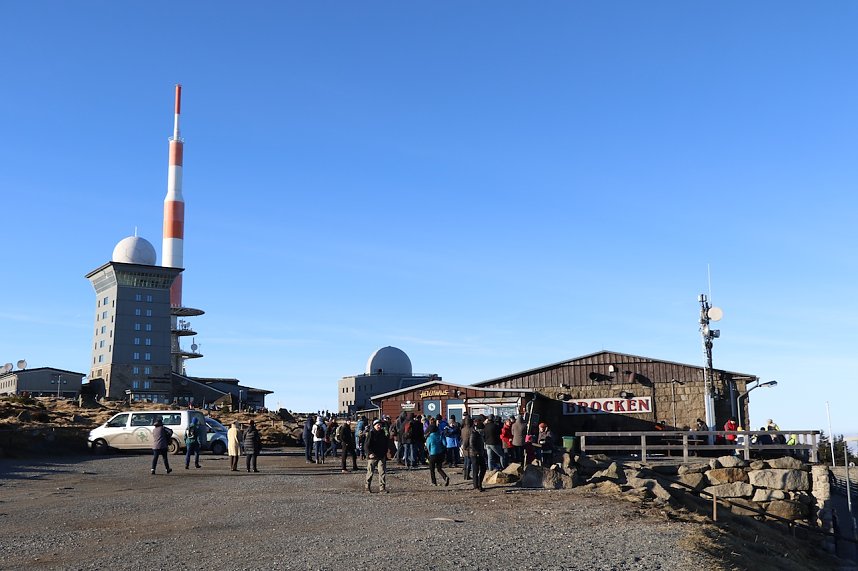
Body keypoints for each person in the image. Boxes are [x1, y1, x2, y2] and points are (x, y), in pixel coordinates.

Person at [365, 419, 390, 493]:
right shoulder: (371, 433)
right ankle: (367, 487)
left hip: (381, 456)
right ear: (374, 425)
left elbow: (385, 444)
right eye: (377, 425)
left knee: (382, 472)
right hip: (372, 456)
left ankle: (382, 488)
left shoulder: (383, 433)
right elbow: (366, 445)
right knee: (370, 472)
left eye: (380, 425)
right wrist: (369, 453)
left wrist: (385, 453)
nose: (379, 426)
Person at [469, 417, 487, 491]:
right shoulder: (474, 434)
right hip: (475, 454)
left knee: (483, 468)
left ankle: (479, 484)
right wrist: (477, 452)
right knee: (476, 470)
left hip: (480, 453)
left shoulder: (479, 434)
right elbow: (472, 444)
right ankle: (476, 485)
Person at [460, 416, 472, 481]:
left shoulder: (463, 429)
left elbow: (462, 437)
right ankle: (467, 475)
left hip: (464, 446)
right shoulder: (471, 430)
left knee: (465, 461)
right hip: (469, 446)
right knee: (469, 462)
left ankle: (465, 475)